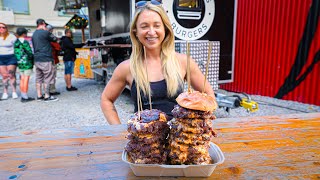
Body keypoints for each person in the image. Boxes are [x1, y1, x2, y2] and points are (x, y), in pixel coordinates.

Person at [100, 1, 217, 125]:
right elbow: (106, 99)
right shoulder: (126, 68)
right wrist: (118, 130)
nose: (151, 32)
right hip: (145, 140)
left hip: (178, 140)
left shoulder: (184, 62)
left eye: (156, 25)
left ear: (165, 29)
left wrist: (198, 126)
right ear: (135, 31)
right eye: (144, 26)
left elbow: (209, 95)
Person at [32, 19, 58, 102]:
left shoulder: (34, 33)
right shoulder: (45, 32)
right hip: (45, 58)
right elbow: (55, 39)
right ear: (43, 24)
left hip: (37, 58)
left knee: (39, 77)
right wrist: (47, 31)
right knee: (48, 77)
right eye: (45, 25)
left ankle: (39, 96)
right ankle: (47, 96)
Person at [14, 27, 35, 102]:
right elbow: (29, 52)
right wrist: (32, 59)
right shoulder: (25, 42)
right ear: (24, 34)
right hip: (26, 62)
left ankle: (23, 95)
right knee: (26, 79)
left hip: (20, 63)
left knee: (22, 78)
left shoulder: (16, 42)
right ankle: (25, 96)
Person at [0, 22, 18, 100]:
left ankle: (14, 91)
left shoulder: (12, 37)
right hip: (1, 58)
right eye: (0, 27)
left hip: (11, 57)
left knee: (11, 75)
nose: (1, 29)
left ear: (6, 28)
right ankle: (5, 92)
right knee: (4, 76)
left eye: (3, 27)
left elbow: (17, 47)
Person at [46, 24, 61, 96]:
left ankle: (46, 91)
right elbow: (57, 47)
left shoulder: (41, 37)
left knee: (45, 76)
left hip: (43, 59)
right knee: (52, 75)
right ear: (51, 30)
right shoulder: (51, 37)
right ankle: (52, 90)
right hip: (52, 58)